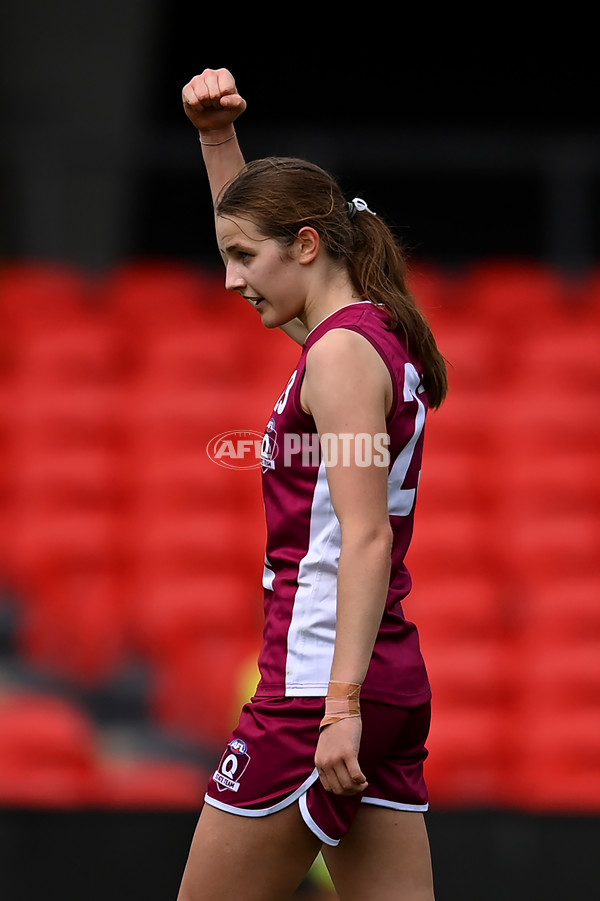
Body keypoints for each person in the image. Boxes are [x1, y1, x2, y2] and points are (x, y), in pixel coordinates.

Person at [178, 67, 448, 901]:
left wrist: (336, 708)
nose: (231, 280)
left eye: (244, 258)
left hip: (315, 690)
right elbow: (254, 230)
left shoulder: (335, 355)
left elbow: (364, 535)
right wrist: (217, 141)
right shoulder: (367, 333)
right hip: (389, 678)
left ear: (306, 244)